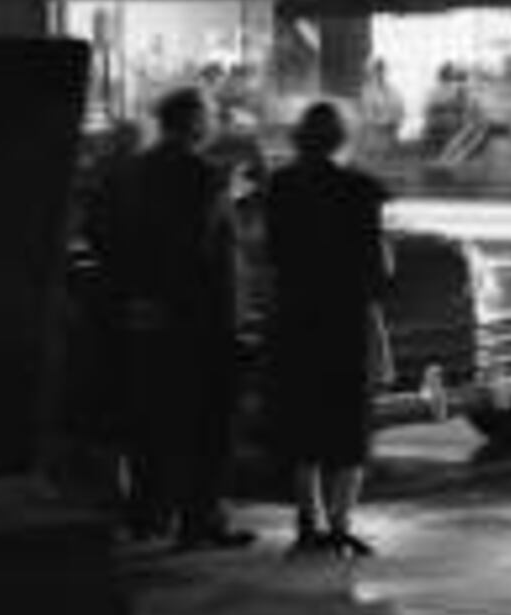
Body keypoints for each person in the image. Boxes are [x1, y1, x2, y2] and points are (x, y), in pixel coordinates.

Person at [93, 86, 252, 550]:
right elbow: (201, 247)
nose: (214, 122)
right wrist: (228, 196)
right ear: (194, 123)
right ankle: (199, 519)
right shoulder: (206, 177)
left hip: (147, 317)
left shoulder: (132, 173)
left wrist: (136, 293)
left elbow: (102, 233)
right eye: (209, 115)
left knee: (152, 419)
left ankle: (148, 513)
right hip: (202, 320)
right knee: (207, 425)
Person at [260, 100, 394, 559]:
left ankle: (306, 523)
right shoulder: (360, 190)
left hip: (295, 318)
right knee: (348, 427)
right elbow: (376, 270)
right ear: (343, 138)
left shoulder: (280, 186)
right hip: (343, 320)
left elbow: (272, 257)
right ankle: (340, 525)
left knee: (304, 424)